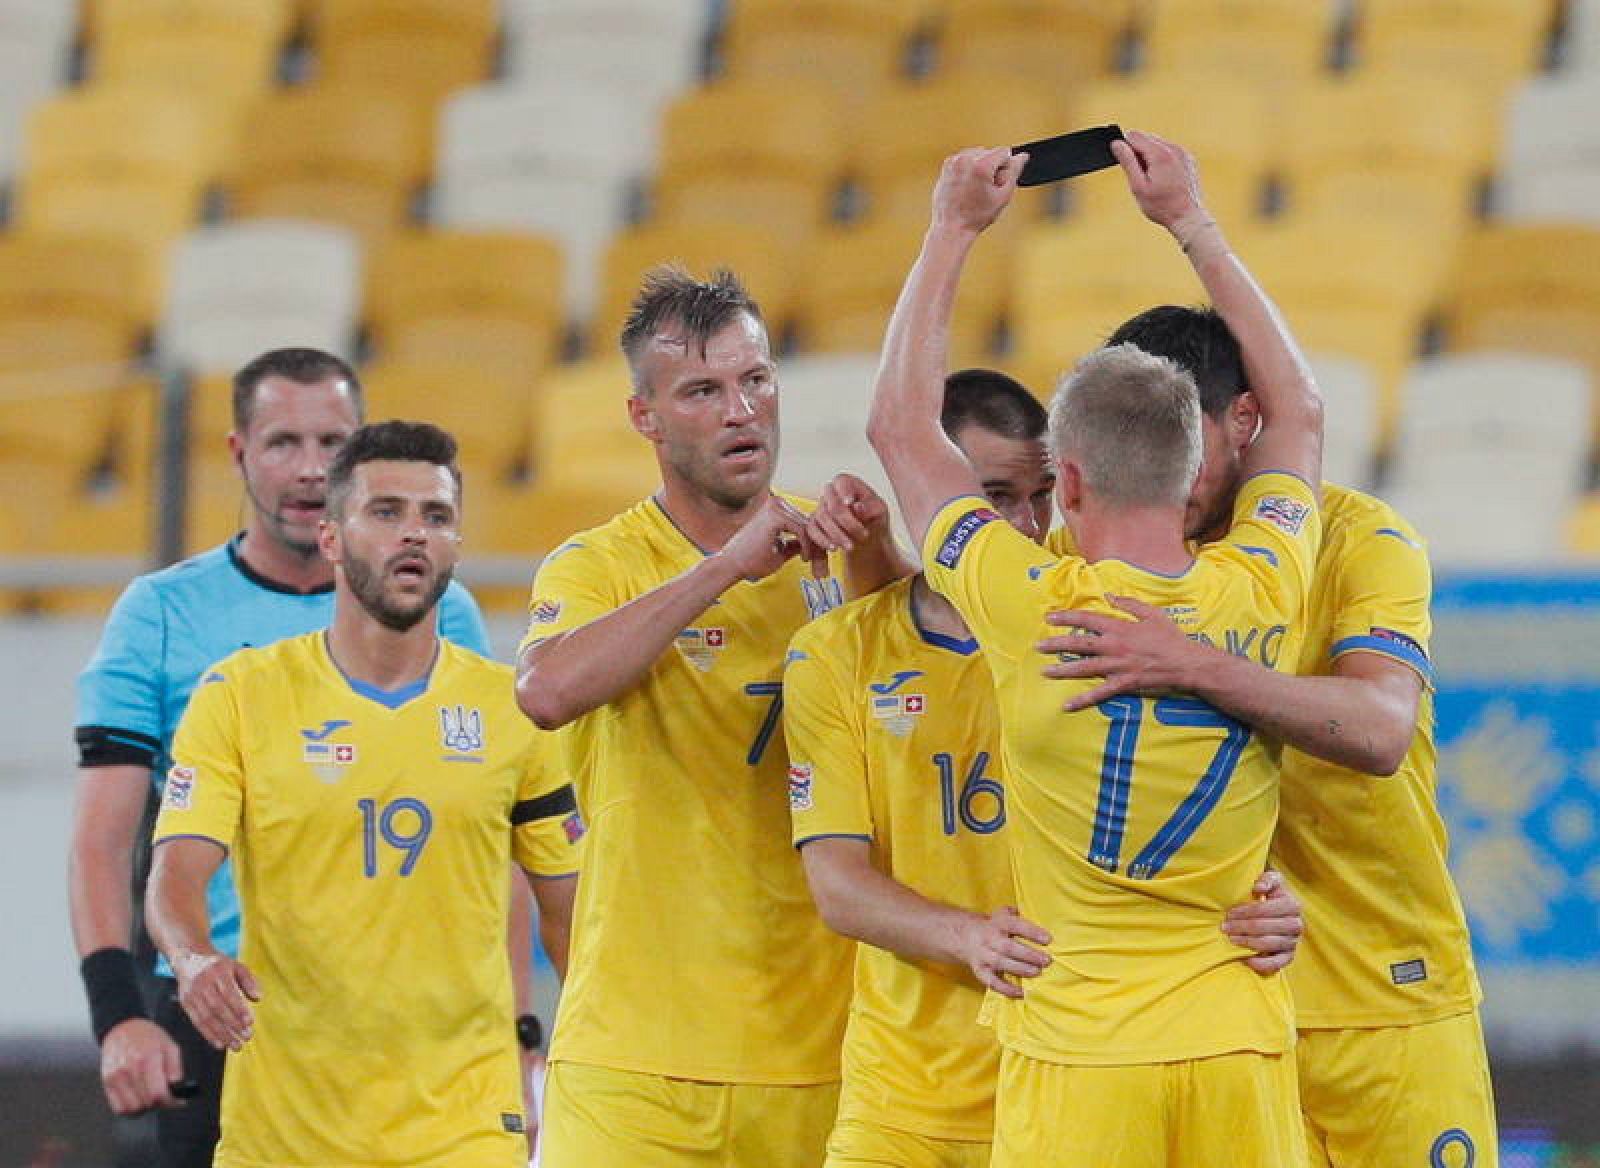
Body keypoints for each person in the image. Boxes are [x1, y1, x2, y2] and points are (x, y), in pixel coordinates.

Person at [864, 131, 1323, 1166]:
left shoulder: (1027, 601)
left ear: (1063, 484)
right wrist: (1190, 222)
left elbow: (899, 425)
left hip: (1078, 1053)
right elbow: (1300, 407)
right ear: (1198, 460)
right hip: (1233, 1044)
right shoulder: (1263, 581)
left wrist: (950, 230)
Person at [785, 369, 1307, 1168]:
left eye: (1034, 497)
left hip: (1080, 1069)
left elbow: (1200, 780)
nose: (1023, 525)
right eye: (992, 497)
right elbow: (837, 883)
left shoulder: (1090, 612)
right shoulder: (841, 652)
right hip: (907, 1101)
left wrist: (1258, 889)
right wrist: (962, 935)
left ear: (1064, 482)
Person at [1036, 323, 1497, 1161]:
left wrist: (1194, 665)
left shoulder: (1358, 538)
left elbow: (1380, 730)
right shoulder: (1091, 555)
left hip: (1381, 997)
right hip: (1216, 1018)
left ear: (1243, 420)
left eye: (1185, 441)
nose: (1166, 476)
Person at [515, 267, 904, 1167]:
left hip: (830, 1056)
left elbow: (921, 706)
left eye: (755, 381)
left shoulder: (832, 555)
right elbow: (546, 691)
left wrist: (880, 555)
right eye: (703, 390)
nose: (741, 411)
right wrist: (724, 568)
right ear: (644, 417)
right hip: (635, 1066)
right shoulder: (597, 564)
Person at [69, 349, 493, 1165]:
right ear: (237, 452)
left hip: (408, 1019)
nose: (309, 470)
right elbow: (102, 837)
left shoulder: (448, 611)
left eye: (332, 443)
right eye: (281, 444)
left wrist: (518, 1022)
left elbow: (493, 833)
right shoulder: (160, 614)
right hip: (222, 1005)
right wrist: (118, 1013)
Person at [145, 420, 581, 1167]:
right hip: (282, 1135)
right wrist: (193, 960)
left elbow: (571, 918)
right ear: (332, 537)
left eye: (436, 516)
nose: (414, 533)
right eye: (386, 512)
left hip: (465, 1132)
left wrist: (573, 1059)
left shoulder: (515, 709)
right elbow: (176, 874)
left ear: (455, 545)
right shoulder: (242, 696)